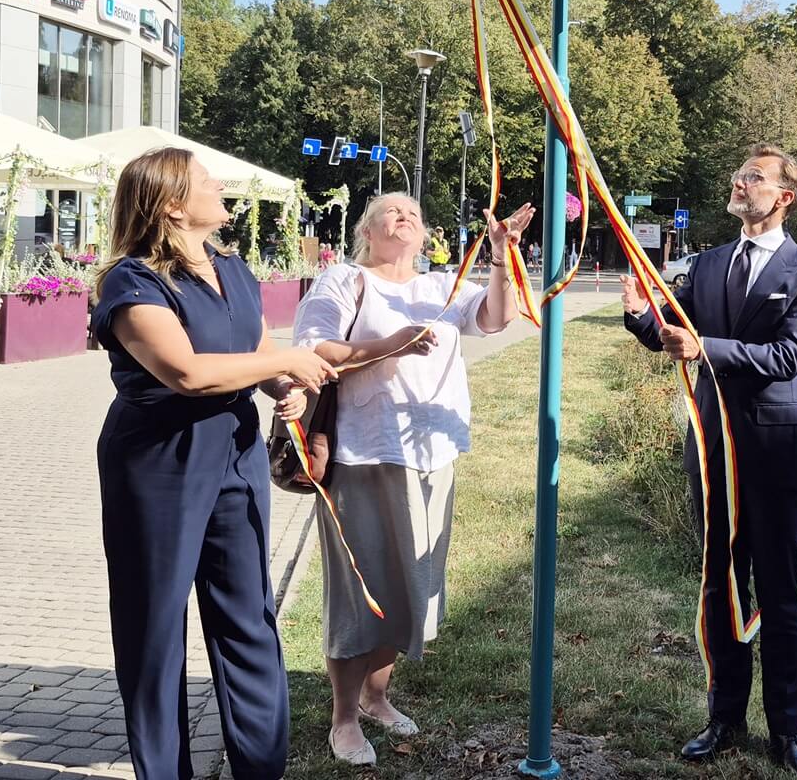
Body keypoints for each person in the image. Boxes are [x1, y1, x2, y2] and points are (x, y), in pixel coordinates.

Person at [90, 147, 337, 780]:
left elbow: (254, 350)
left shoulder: (233, 266)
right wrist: (283, 365)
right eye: (206, 181)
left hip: (234, 449)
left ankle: (260, 768)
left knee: (249, 616)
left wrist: (289, 389)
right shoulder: (132, 281)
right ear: (173, 204)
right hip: (158, 460)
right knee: (155, 628)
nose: (220, 185)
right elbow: (187, 372)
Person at [292, 193, 533, 767]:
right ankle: (344, 718)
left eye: (414, 215)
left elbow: (497, 319)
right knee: (360, 593)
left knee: (407, 587)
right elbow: (313, 348)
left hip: (433, 457)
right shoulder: (344, 281)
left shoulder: (440, 287)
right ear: (367, 231)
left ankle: (377, 698)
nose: (405, 217)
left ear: (425, 237)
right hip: (364, 455)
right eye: (391, 212)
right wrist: (388, 346)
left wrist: (500, 255)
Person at [621, 145, 797, 776]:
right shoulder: (709, 264)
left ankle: (787, 731)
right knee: (719, 586)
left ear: (784, 197)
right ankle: (723, 718)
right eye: (740, 176)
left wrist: (704, 345)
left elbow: (790, 358)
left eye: (755, 178)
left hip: (772, 455)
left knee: (779, 593)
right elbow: (673, 333)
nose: (740, 184)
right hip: (711, 451)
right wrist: (639, 316)